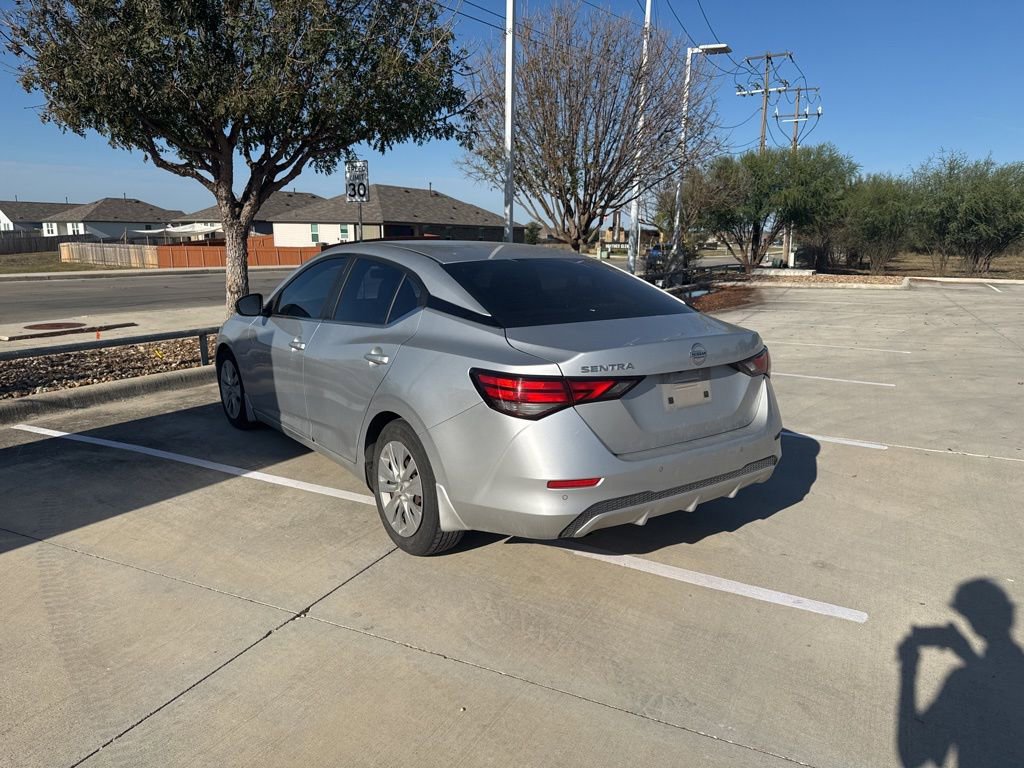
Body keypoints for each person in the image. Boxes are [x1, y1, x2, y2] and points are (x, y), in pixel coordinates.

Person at [897, 579, 1024, 766]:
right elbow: (1000, 688)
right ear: (1010, 613)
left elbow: (911, 756)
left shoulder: (961, 680)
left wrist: (909, 665)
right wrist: (968, 654)